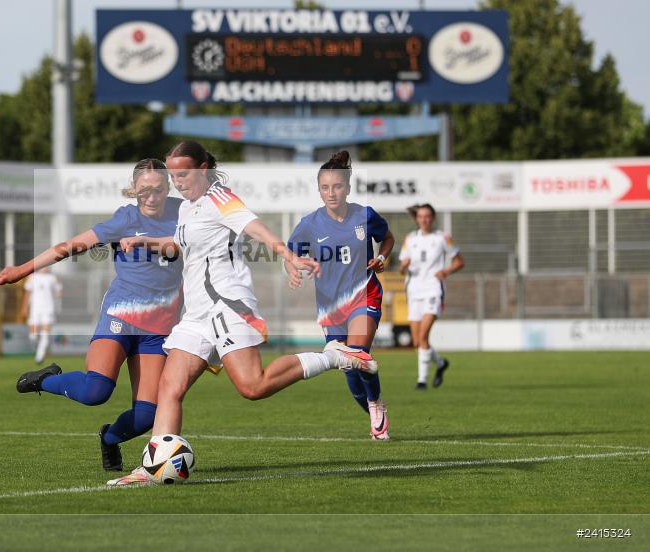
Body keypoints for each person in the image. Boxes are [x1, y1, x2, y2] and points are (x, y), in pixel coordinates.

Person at [107, 141, 377, 486]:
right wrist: (145, 242)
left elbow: (254, 227)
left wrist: (287, 254)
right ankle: (152, 469)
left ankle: (332, 355)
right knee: (169, 389)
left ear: (203, 169)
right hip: (197, 314)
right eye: (173, 175)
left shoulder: (221, 198)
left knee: (253, 386)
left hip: (227, 305)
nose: (177, 181)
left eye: (183, 173)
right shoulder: (188, 208)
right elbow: (182, 246)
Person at [0, 159, 183, 472]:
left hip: (159, 328)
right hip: (120, 316)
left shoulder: (185, 213)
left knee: (146, 417)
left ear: (168, 188)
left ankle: (109, 439)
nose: (151, 196)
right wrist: (22, 270)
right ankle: (46, 380)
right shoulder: (125, 218)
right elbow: (69, 246)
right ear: (134, 190)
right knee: (96, 391)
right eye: (144, 190)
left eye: (159, 189)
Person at [287, 151, 395, 441]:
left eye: (337, 187)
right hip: (331, 309)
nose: (331, 193)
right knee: (349, 370)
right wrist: (294, 268)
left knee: (358, 354)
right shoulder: (309, 224)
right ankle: (374, 404)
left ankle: (375, 407)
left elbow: (388, 237)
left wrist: (383, 256)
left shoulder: (365, 215)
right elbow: (291, 255)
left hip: (364, 294)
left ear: (347, 188)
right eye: (325, 187)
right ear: (319, 190)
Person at [399, 203, 465, 390]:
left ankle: (421, 380)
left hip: (433, 290)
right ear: (417, 218)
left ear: (433, 218)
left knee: (424, 335)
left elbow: (460, 261)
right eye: (421, 216)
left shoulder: (442, 238)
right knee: (417, 341)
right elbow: (403, 270)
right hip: (413, 291)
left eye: (428, 216)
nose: (424, 219)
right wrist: (403, 266)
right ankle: (441, 363)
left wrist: (446, 271)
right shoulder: (410, 239)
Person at [21, 266, 62, 364]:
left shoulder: (52, 278)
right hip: (35, 310)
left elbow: (58, 292)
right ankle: (39, 349)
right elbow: (28, 293)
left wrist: (58, 290)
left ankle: (39, 357)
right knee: (33, 336)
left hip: (48, 309)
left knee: (45, 335)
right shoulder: (32, 277)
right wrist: (25, 307)